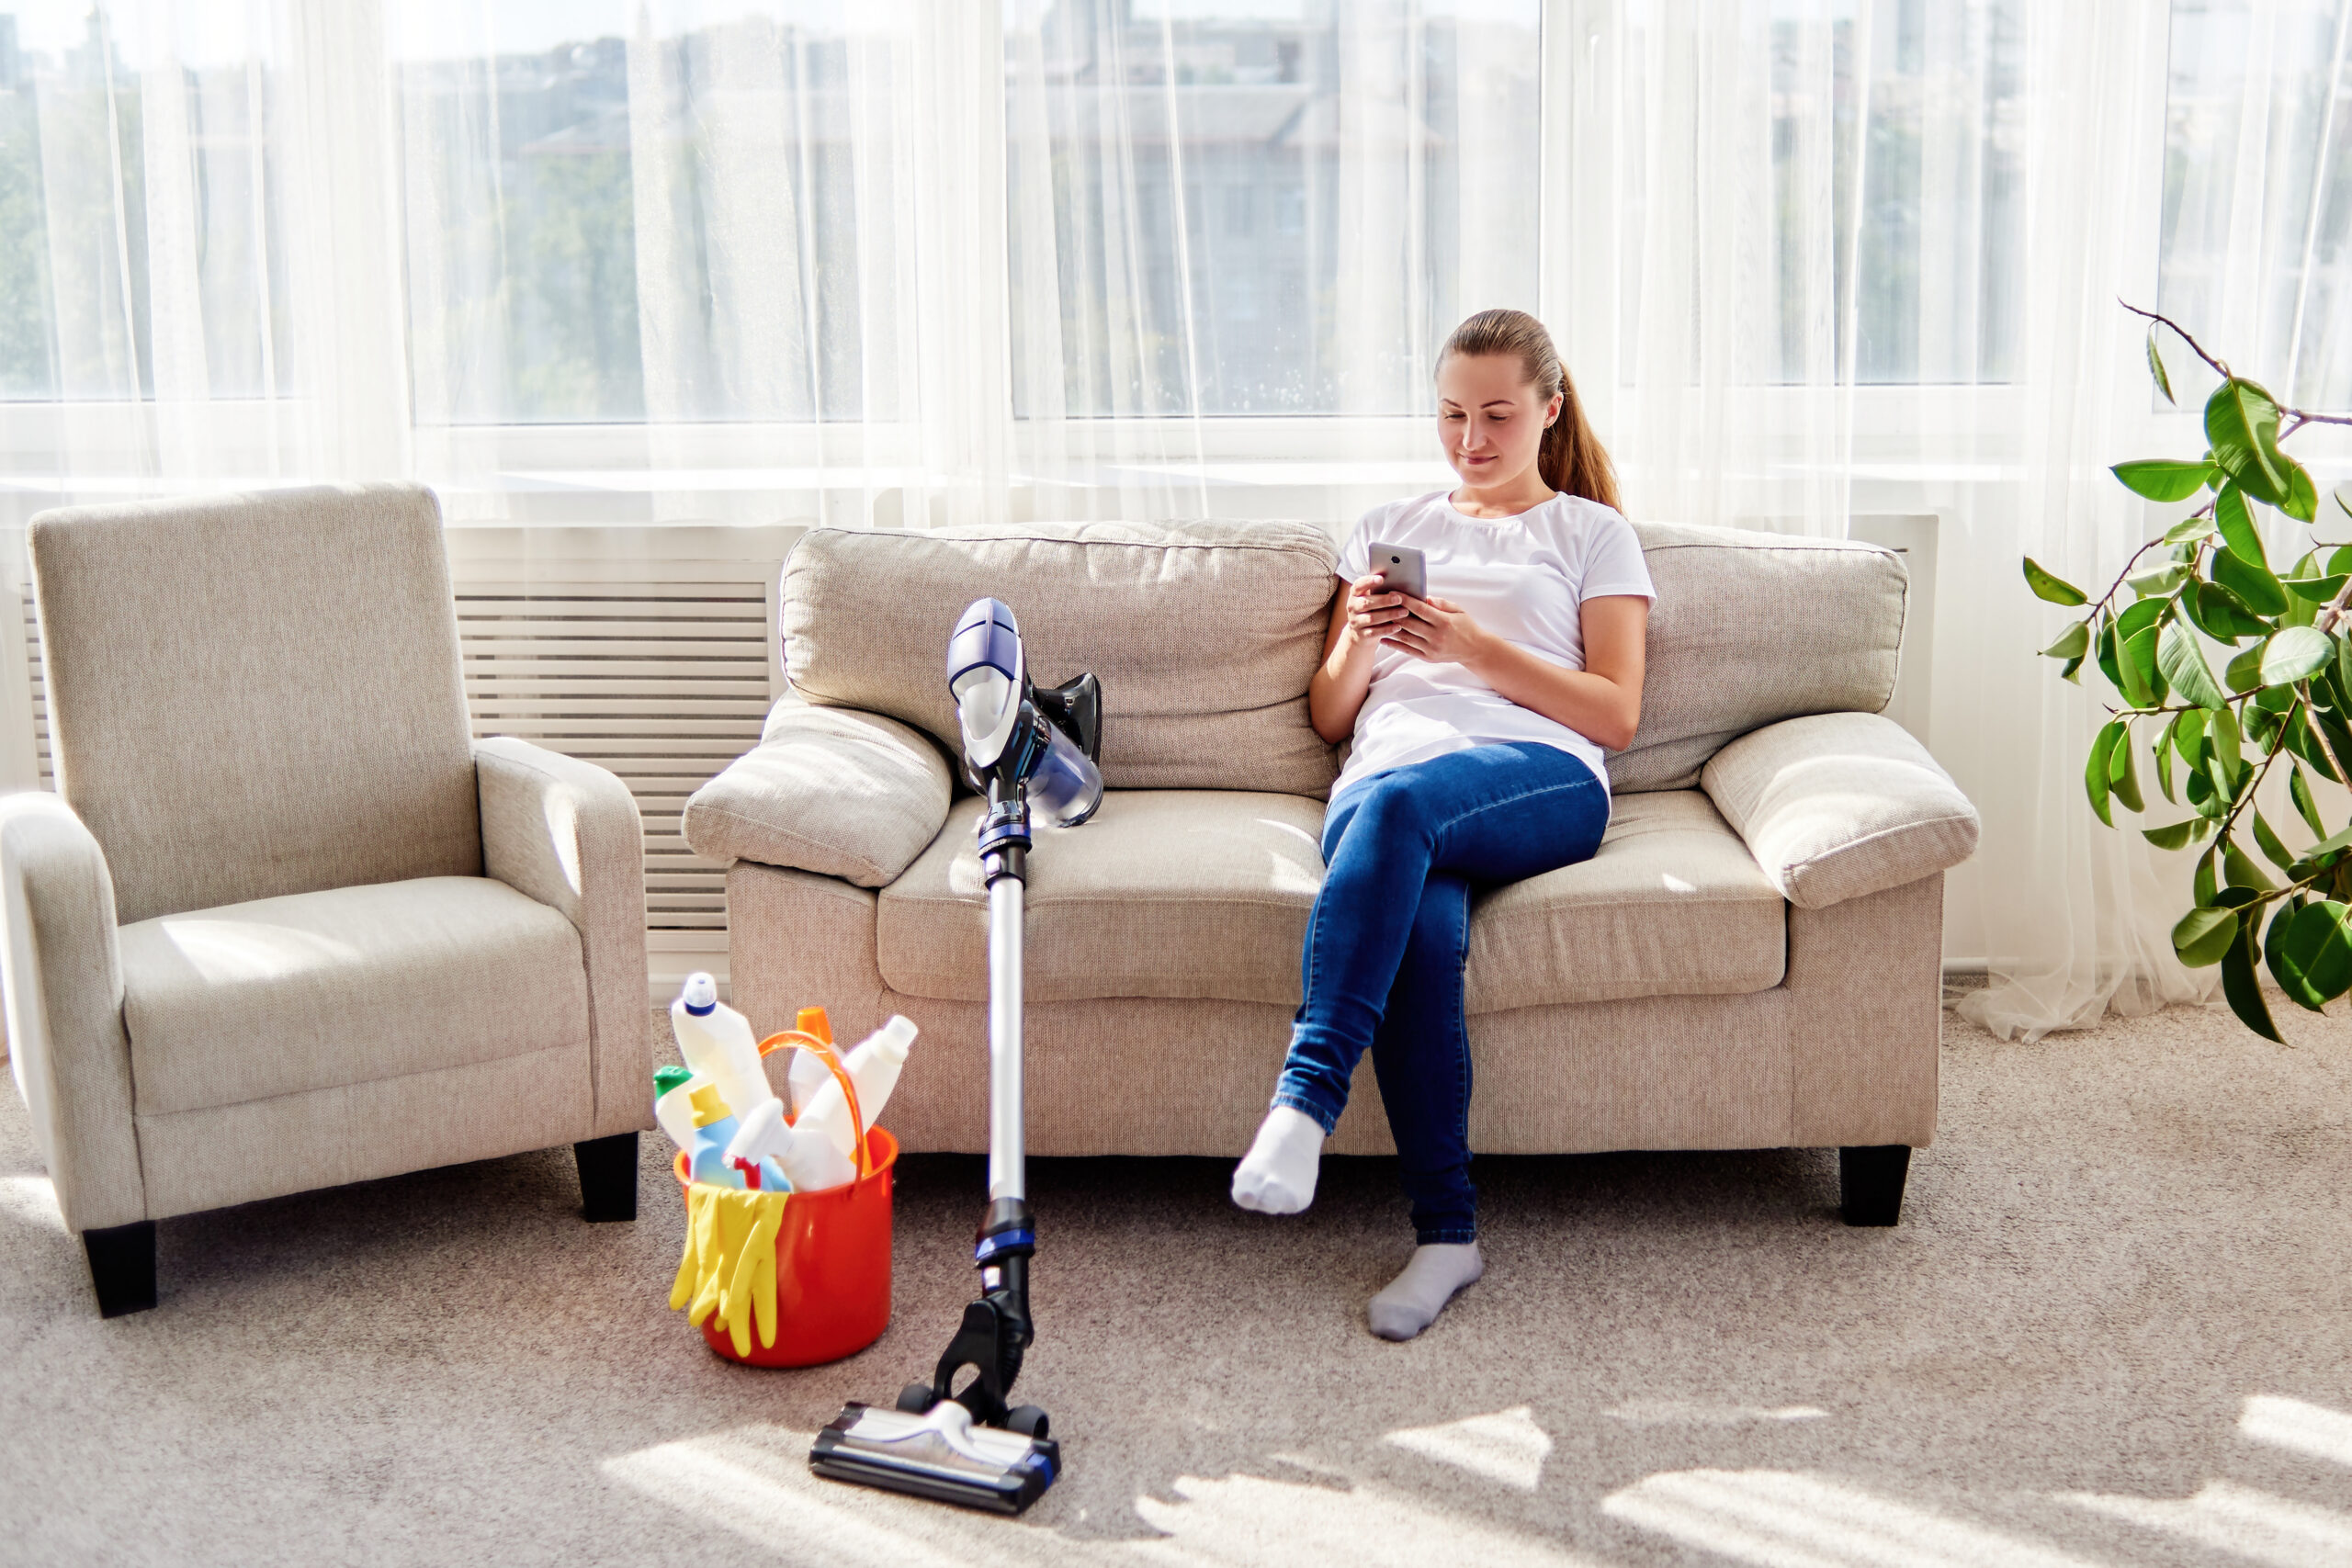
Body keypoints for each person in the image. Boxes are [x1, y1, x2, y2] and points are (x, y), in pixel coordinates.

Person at [1229, 307, 1655, 1341]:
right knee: (1415, 914)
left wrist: (1470, 649)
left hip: (1537, 777)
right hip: (1385, 787)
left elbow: (1615, 714)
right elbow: (1333, 715)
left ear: (1549, 412)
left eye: (1498, 415)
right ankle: (1446, 1234)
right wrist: (1367, 644)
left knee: (1405, 801)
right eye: (1453, 414)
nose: (1472, 438)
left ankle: (1305, 1099)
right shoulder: (1389, 529)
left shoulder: (1590, 533)